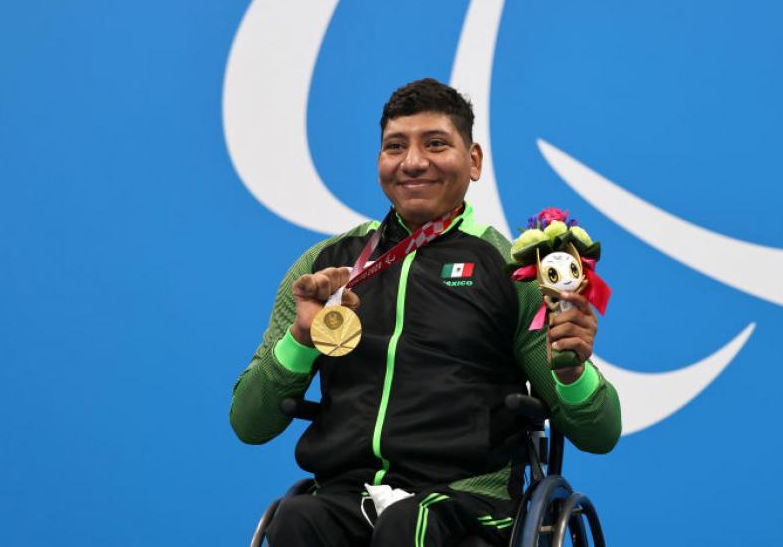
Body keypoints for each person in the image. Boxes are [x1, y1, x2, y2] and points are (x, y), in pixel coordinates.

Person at [231, 78, 621, 546]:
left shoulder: (511, 272)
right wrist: (299, 339)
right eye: (395, 146)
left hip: (466, 505)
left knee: (407, 525)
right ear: (380, 162)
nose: (413, 162)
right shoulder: (325, 266)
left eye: (436, 144)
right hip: (347, 495)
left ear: (473, 161)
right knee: (295, 519)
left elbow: (600, 432)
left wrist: (573, 368)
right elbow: (249, 423)